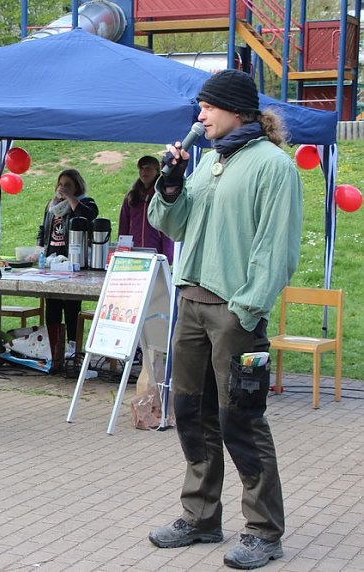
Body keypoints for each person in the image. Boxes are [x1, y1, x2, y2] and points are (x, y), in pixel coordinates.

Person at [146, 69, 302, 570]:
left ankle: (263, 530)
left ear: (236, 110)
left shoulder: (272, 166)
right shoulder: (209, 161)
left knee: (242, 418)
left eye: (208, 107)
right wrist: (170, 186)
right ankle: (201, 517)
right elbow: (170, 224)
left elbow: (275, 247)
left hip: (236, 312)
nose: (201, 116)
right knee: (192, 414)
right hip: (191, 304)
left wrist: (247, 308)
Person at [36, 169, 98, 359]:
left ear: (77, 186)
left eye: (68, 185)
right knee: (52, 305)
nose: (62, 188)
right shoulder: (52, 204)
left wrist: (71, 197)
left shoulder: (86, 202)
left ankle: (73, 349)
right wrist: (39, 246)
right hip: (51, 262)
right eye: (60, 184)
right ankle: (53, 349)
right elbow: (43, 227)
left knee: (71, 308)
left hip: (72, 263)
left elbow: (88, 216)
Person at [117, 155, 174, 262]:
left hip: (156, 252)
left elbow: (168, 226)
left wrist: (168, 255)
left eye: (148, 168)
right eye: (141, 169)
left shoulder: (162, 195)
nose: (144, 172)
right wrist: (122, 250)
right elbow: (123, 225)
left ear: (157, 171)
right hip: (133, 251)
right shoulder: (132, 196)